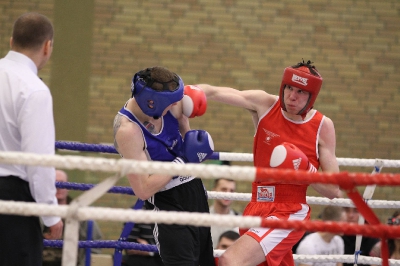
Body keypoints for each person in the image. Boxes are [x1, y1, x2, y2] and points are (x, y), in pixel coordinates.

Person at [196, 60, 342, 266]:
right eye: (289, 88)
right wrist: (189, 91)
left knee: (230, 260)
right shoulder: (265, 104)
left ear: (312, 96)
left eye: (300, 91)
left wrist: (305, 169)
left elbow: (334, 191)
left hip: (290, 211)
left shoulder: (322, 126)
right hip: (257, 205)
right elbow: (214, 92)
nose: (292, 96)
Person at [113, 66, 215, 266]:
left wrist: (192, 144)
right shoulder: (128, 131)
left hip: (195, 190)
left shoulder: (168, 102)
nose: (174, 107)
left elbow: (184, 127)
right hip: (168, 201)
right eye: (169, 104)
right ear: (152, 103)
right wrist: (183, 161)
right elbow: (143, 189)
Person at [0, 12, 63, 266]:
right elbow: (38, 161)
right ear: (47, 47)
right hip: (12, 200)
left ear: (12, 40)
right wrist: (51, 215)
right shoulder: (34, 89)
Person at [42, 170, 103, 266]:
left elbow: (94, 246)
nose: (59, 187)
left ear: (69, 187)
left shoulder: (82, 216)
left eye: (62, 183)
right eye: (55, 183)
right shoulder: (37, 212)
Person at [209, 176, 240, 248]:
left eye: (231, 191)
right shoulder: (201, 218)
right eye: (224, 189)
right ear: (214, 191)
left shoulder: (240, 220)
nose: (228, 194)